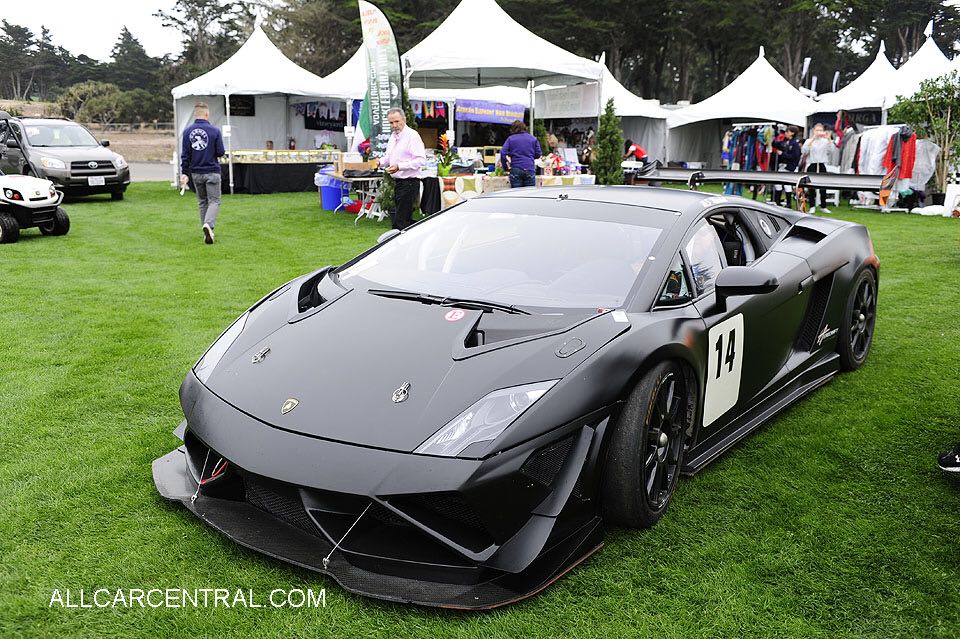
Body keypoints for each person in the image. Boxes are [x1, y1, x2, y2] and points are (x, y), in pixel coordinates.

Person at [179, 102, 225, 244]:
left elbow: (185, 155)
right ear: (206, 114)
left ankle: (207, 233)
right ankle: (208, 225)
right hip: (212, 171)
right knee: (214, 201)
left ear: (195, 114)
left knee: (202, 202)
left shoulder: (187, 132)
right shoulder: (215, 131)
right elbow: (220, 152)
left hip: (196, 173)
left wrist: (184, 173)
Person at [373, 108, 425, 230]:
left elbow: (421, 160)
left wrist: (400, 167)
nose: (394, 125)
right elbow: (389, 157)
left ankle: (402, 241)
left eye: (397, 121)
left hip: (410, 182)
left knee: (400, 221)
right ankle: (418, 234)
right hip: (399, 183)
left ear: (404, 120)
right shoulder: (393, 136)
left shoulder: (412, 136)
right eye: (391, 123)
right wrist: (379, 162)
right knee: (402, 219)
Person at [802, 123, 834, 214]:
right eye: (817, 130)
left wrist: (828, 138)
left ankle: (823, 206)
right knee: (811, 187)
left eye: (820, 130)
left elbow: (831, 151)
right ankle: (812, 206)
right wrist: (812, 140)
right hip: (812, 164)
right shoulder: (809, 140)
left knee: (823, 186)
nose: (819, 132)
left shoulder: (825, 141)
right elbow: (804, 151)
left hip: (822, 164)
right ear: (814, 131)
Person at [500, 120, 541, 188]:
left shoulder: (510, 139)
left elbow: (503, 153)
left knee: (516, 194)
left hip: (516, 168)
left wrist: (505, 167)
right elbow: (538, 154)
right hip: (529, 168)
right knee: (529, 194)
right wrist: (529, 156)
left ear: (513, 129)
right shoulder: (533, 139)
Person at [771, 125, 801, 208]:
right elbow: (776, 144)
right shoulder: (785, 142)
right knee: (778, 183)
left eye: (788, 132)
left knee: (787, 185)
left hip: (789, 167)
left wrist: (783, 154)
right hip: (782, 166)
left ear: (792, 133)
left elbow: (795, 156)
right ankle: (777, 202)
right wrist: (775, 135)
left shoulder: (795, 144)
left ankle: (788, 203)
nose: (786, 134)